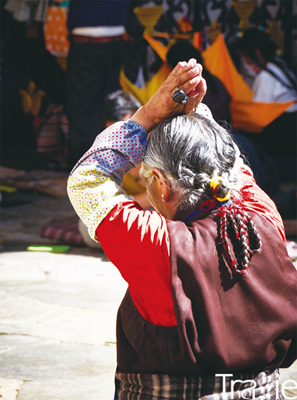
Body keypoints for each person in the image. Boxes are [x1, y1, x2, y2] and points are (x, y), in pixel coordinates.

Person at [68, 60, 297, 399]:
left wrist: (146, 115)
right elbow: (228, 161)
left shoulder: (158, 244)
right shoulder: (262, 216)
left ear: (161, 185)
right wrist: (197, 113)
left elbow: (86, 180)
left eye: (146, 178)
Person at [66, 0, 131, 163]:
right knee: (112, 101)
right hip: (117, 32)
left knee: (84, 103)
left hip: (87, 34)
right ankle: (112, 159)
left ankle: (85, 163)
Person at [237, 28, 297, 181]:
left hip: (283, 131)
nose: (246, 64)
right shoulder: (279, 65)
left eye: (246, 58)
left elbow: (256, 118)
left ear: (256, 54)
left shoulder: (264, 77)